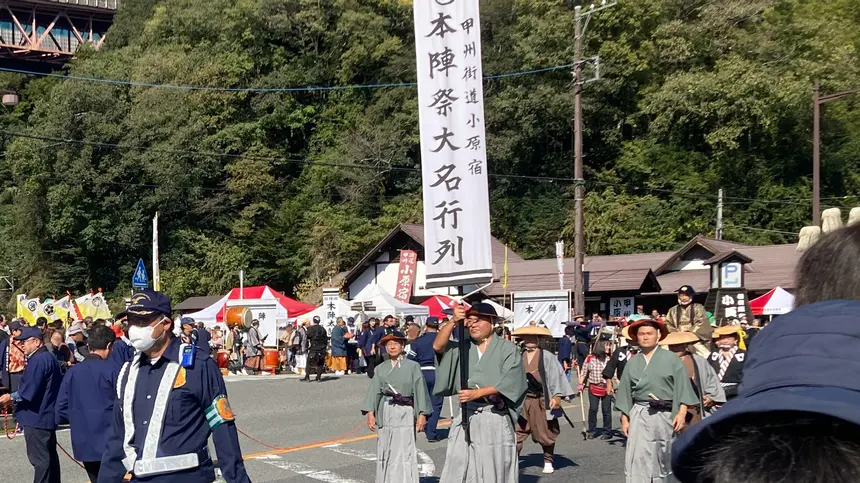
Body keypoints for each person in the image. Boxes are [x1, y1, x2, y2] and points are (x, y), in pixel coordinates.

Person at [672, 225, 860, 482]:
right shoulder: (674, 311)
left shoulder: (746, 342)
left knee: (701, 351)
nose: (683, 298)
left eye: (685, 295)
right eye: (681, 295)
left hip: (712, 359)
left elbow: (703, 329)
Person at [98, 289, 251, 483]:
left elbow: (223, 429)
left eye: (143, 321)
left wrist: (237, 479)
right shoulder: (128, 371)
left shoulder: (197, 365)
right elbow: (117, 438)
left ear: (166, 324)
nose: (135, 328)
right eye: (131, 322)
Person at [433, 303, 527, 483]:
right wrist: (453, 320)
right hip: (467, 412)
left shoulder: (507, 348)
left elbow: (511, 380)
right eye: (469, 320)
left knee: (493, 463)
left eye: (478, 320)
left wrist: (477, 393)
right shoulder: (463, 346)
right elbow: (438, 346)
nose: (472, 324)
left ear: (492, 322)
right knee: (461, 462)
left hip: (493, 414)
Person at [615, 316, 698, 483]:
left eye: (650, 333)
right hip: (640, 412)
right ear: (636, 337)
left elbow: (683, 388)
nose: (646, 337)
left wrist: (681, 413)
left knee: (664, 453)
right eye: (642, 334)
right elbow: (625, 392)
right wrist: (625, 419)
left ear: (658, 335)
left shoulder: (671, 359)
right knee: (638, 455)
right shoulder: (632, 362)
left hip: (666, 414)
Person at [362, 330, 431, 483]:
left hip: (406, 409)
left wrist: (422, 414)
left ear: (403, 345)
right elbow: (374, 391)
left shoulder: (413, 366)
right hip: (386, 408)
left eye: (395, 343)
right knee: (386, 444)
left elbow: (420, 389)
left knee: (405, 445)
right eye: (388, 344)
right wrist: (371, 413)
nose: (392, 347)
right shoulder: (381, 368)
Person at [55, 325, 118, 482]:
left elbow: (61, 407)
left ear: (89, 345)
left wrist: (78, 418)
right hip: (111, 439)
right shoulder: (114, 370)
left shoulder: (73, 372)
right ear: (110, 346)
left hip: (83, 438)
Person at [0, 326, 63, 483]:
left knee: (41, 460)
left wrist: (10, 397)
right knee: (49, 458)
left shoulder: (39, 360)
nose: (22, 346)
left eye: (24, 342)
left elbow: (28, 391)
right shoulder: (47, 358)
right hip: (45, 415)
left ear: (36, 342)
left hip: (36, 416)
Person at [513, 325, 574, 474]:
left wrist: (557, 396)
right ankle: (513, 461)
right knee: (517, 432)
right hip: (523, 400)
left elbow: (555, 376)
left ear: (539, 339)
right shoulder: (518, 355)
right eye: (527, 337)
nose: (530, 340)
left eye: (533, 337)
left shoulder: (546, 356)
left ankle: (548, 460)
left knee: (545, 432)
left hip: (541, 399)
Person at [660, 331, 725, 427]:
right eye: (672, 346)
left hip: (694, 406)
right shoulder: (662, 361)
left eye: (678, 345)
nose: (675, 348)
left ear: (685, 345)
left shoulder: (699, 361)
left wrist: (710, 397)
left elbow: (711, 380)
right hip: (669, 406)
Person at [406, 316, 445, 442]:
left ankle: (420, 423)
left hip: (422, 371)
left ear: (426, 326)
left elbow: (410, 359)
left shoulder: (418, 341)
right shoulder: (443, 340)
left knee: (421, 400)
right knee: (436, 403)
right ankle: (431, 433)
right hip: (438, 372)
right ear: (437, 326)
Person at [664, 286, 713, 357]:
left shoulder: (698, 307)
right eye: (682, 295)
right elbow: (667, 323)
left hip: (694, 338)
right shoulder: (672, 310)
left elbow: (702, 322)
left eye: (687, 295)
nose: (684, 298)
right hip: (677, 338)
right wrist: (674, 331)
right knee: (664, 351)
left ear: (691, 296)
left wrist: (689, 331)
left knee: (705, 355)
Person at [580, 338, 613, 440]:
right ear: (601, 346)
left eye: (609, 345)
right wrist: (580, 383)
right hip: (594, 386)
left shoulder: (610, 359)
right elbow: (584, 372)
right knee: (593, 409)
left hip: (606, 387)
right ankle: (592, 430)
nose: (609, 347)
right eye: (607, 345)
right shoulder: (590, 358)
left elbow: (614, 374)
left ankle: (607, 431)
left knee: (606, 410)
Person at [708, 325, 745, 402]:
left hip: (735, 391)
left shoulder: (743, 354)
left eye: (729, 338)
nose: (725, 341)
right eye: (722, 338)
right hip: (715, 389)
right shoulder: (714, 354)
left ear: (735, 340)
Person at [603, 325, 638, 393]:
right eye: (632, 340)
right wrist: (609, 383)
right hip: (622, 385)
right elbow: (610, 367)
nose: (635, 342)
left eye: (636, 340)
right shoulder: (620, 351)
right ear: (627, 340)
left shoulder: (645, 352)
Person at [0, 320, 27, 396]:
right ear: (13, 331)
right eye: (19, 330)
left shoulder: (24, 341)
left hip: (25, 372)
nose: (21, 332)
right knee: (14, 397)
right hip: (13, 375)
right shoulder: (6, 343)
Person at [303, 316, 328, 382]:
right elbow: (326, 339)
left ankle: (307, 377)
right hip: (321, 348)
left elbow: (307, 337)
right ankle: (318, 377)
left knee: (309, 362)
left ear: (313, 321)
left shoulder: (311, 329)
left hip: (313, 348)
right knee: (320, 363)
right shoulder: (323, 329)